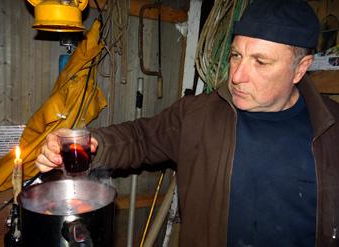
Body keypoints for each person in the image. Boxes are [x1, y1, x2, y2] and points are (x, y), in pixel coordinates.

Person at [36, 0, 339, 246]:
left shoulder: (333, 129)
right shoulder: (199, 114)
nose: (236, 76)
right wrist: (92, 145)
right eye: (236, 55)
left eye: (260, 62)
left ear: (300, 68)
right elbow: (141, 137)